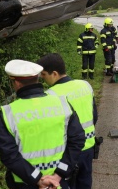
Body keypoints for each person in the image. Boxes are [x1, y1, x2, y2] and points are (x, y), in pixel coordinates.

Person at [0, 59, 85, 189]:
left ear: (16, 83)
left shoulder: (8, 112)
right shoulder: (62, 103)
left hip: (25, 183)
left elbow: (9, 155)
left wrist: (37, 179)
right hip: (59, 182)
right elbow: (77, 140)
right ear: (38, 79)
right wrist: (58, 175)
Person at [37, 53, 98, 189]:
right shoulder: (85, 85)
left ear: (54, 73)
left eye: (44, 74)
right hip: (89, 147)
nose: (43, 79)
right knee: (85, 183)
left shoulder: (50, 95)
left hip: (68, 153)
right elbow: (94, 116)